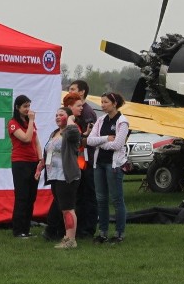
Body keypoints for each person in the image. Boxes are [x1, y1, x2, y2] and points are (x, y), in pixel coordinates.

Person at [36, 99, 84, 249]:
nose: (57, 117)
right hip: (55, 176)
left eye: (61, 114)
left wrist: (71, 118)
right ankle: (66, 237)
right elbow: (49, 152)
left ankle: (71, 240)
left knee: (68, 208)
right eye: (56, 115)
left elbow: (75, 133)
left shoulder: (71, 131)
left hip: (66, 176)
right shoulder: (55, 132)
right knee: (63, 208)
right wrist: (41, 166)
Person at [86, 91, 130, 244]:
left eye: (105, 102)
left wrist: (101, 143)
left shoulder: (122, 122)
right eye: (102, 102)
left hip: (113, 165)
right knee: (101, 199)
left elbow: (118, 144)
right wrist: (105, 139)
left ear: (114, 103)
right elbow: (90, 141)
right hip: (99, 163)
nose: (103, 105)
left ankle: (119, 233)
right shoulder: (101, 120)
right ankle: (103, 232)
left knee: (116, 199)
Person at [8, 94, 42, 238]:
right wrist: (32, 120)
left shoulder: (30, 123)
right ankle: (18, 230)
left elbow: (36, 142)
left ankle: (26, 229)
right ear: (17, 108)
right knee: (22, 196)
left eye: (29, 106)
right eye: (25, 106)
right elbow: (27, 139)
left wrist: (40, 159)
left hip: (33, 162)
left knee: (31, 197)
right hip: (20, 163)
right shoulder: (13, 123)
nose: (28, 109)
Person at [68, 79, 98, 238]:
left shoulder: (87, 112)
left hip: (87, 162)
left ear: (82, 92)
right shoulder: (74, 112)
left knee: (88, 196)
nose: (69, 91)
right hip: (79, 162)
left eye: (73, 89)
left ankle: (88, 229)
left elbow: (90, 139)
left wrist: (80, 138)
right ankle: (79, 228)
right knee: (79, 197)